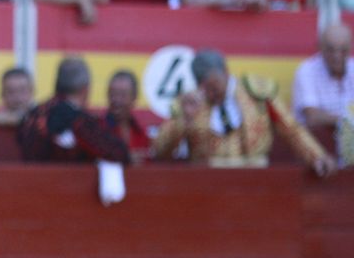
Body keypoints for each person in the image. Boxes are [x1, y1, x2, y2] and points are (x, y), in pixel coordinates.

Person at [151, 48, 332, 174]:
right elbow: (160, 153)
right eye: (205, 88)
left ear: (226, 73)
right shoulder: (189, 104)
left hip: (256, 177)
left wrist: (317, 156)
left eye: (215, 85)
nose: (211, 93)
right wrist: (183, 120)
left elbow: (291, 129)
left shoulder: (256, 93)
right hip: (206, 183)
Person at [16, 56, 130, 162]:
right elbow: (118, 153)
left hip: (30, 181)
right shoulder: (80, 120)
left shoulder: (33, 115)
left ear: (57, 85)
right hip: (68, 182)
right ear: (86, 89)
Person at [292, 24, 353, 130]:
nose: (337, 56)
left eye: (343, 50)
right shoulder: (307, 71)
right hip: (316, 144)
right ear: (320, 47)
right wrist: (347, 121)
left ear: (350, 48)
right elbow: (312, 117)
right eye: (331, 49)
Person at [103, 68, 151, 158]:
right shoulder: (98, 130)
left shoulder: (141, 133)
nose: (116, 100)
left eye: (122, 95)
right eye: (112, 94)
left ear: (134, 98)